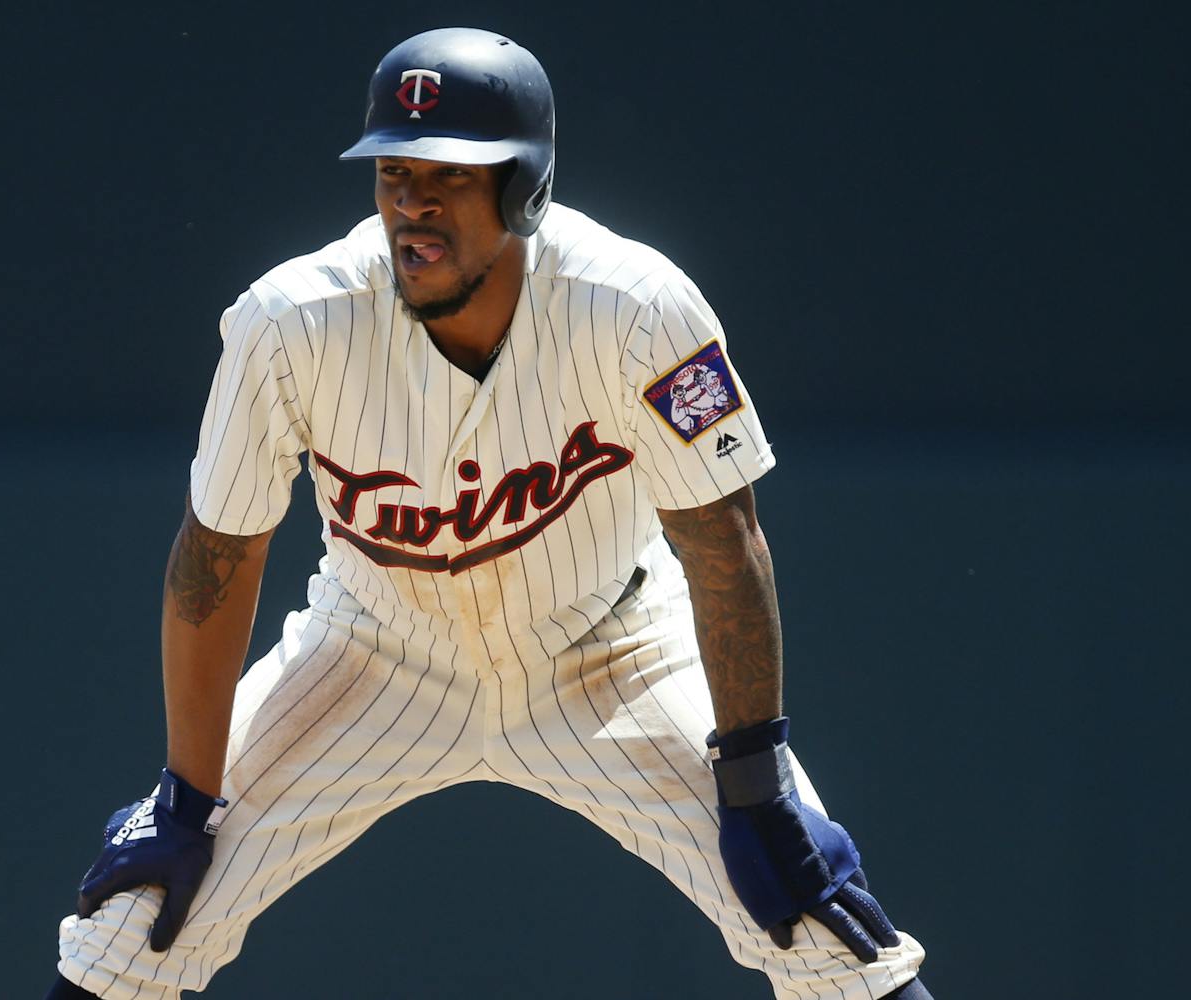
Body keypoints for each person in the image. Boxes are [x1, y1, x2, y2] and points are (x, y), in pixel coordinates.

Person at [45, 27, 931, 1000]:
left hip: (611, 652)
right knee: (132, 928)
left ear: (526, 190)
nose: (411, 206)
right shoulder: (289, 322)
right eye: (392, 174)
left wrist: (754, 785)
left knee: (819, 926)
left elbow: (724, 545)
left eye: (449, 177)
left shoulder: (638, 308)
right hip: (371, 655)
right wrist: (185, 797)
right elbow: (216, 553)